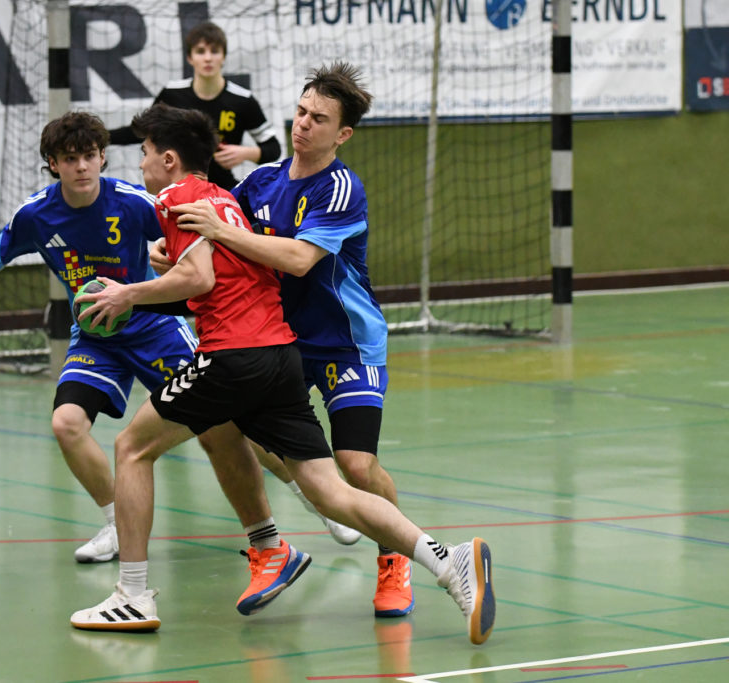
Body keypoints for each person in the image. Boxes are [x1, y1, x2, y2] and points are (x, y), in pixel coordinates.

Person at [70, 103, 496, 646]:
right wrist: (171, 269)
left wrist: (128, 293)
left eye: (146, 153)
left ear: (169, 159)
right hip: (280, 354)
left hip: (235, 355)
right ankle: (447, 560)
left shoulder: (177, 198)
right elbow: (222, 271)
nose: (142, 164)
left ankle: (132, 595)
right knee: (325, 488)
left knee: (132, 447)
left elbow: (200, 279)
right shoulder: (226, 196)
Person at [0, 111, 285, 572]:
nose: (81, 167)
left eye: (89, 156)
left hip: (154, 327)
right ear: (53, 164)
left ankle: (310, 492)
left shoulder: (134, 202)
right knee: (66, 424)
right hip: (96, 337)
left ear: (102, 158)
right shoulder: (36, 214)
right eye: (70, 158)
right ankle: (117, 523)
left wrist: (169, 259)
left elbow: (189, 244)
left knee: (224, 423)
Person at [165, 62, 420, 620]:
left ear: (342, 133)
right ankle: (290, 526)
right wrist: (180, 253)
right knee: (232, 432)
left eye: (318, 119)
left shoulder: (341, 188)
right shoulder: (260, 181)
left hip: (346, 343)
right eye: (301, 112)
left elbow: (300, 259)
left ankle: (394, 557)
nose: (303, 124)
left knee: (356, 463)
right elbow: (224, 242)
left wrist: (220, 232)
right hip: (280, 340)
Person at [107, 20, 280, 191]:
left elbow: (273, 148)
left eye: (214, 51)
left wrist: (247, 153)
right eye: (200, 51)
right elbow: (142, 132)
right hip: (178, 189)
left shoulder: (242, 100)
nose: (208, 58)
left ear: (223, 57)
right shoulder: (172, 94)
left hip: (222, 190)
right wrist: (103, 137)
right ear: (190, 58)